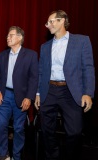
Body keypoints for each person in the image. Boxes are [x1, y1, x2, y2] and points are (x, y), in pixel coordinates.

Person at [34, 10, 95, 160]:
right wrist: (38, 93)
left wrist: (88, 92)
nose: (48, 25)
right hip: (49, 90)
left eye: (51, 21)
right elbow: (40, 72)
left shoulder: (81, 41)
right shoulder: (45, 46)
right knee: (47, 130)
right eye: (47, 23)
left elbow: (88, 67)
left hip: (70, 91)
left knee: (74, 131)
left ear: (62, 21)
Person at [0, 26, 38, 160]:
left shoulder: (31, 55)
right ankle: (3, 155)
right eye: (7, 35)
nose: (8, 37)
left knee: (18, 129)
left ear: (20, 38)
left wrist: (29, 97)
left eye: (11, 35)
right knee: (1, 126)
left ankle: (16, 157)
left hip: (21, 97)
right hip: (4, 95)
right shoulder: (2, 55)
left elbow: (34, 78)